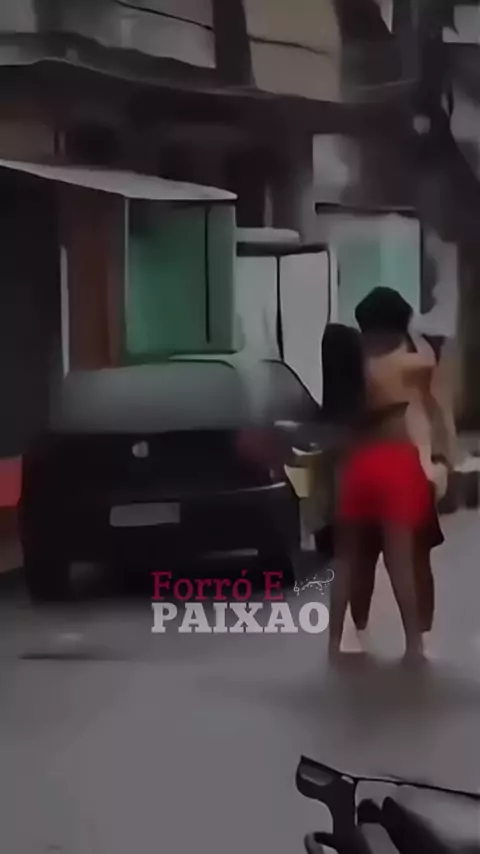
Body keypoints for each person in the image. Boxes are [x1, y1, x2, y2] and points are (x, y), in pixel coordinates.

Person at [327, 291, 451, 662]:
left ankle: (337, 641)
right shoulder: (408, 362)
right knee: (402, 559)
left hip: (357, 464)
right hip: (396, 462)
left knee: (346, 559)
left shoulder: (350, 363)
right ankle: (414, 644)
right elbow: (430, 368)